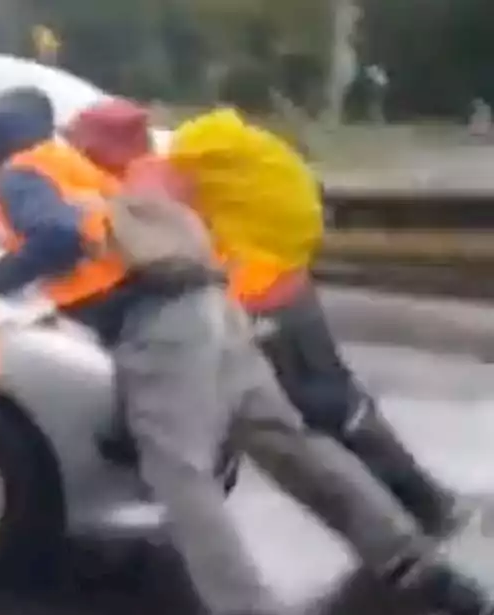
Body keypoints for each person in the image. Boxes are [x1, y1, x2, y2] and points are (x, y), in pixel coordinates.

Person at [0, 86, 493, 615]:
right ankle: (436, 583)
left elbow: (60, 238)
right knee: (292, 449)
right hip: (211, 306)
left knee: (178, 471)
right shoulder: (66, 162)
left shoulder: (20, 175)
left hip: (159, 323)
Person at [65, 99, 469, 540]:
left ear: (104, 146)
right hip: (285, 282)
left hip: (258, 297)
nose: (79, 154)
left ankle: (413, 519)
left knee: (314, 410)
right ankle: (424, 505)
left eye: (84, 145)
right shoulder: (178, 159)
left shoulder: (150, 180)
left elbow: (150, 256)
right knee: (335, 402)